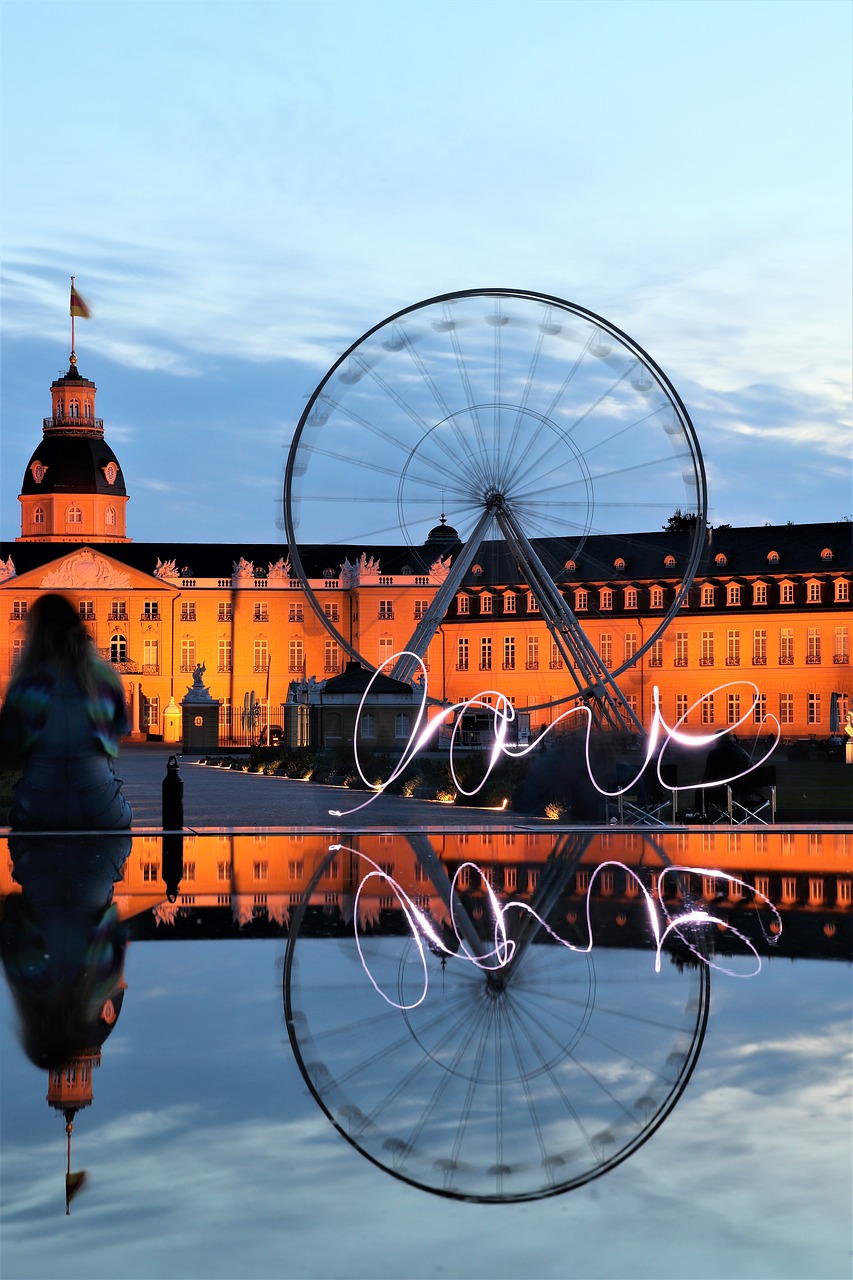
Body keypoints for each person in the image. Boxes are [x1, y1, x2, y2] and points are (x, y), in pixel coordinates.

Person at [0, 593, 132, 829]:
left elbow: (10, 753)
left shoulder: (27, 683)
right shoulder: (105, 676)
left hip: (37, 808)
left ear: (36, 634)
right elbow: (119, 729)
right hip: (100, 808)